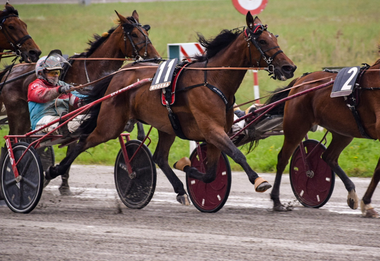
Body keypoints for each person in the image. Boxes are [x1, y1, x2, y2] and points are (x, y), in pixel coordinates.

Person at [28, 50, 85, 136]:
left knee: (89, 117)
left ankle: (64, 127)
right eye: (52, 73)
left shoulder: (63, 85)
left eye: (57, 72)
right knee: (59, 122)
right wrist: (59, 90)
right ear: (41, 73)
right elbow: (42, 95)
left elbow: (77, 100)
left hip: (61, 120)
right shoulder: (34, 86)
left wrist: (88, 99)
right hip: (42, 120)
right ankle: (62, 127)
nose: (56, 76)